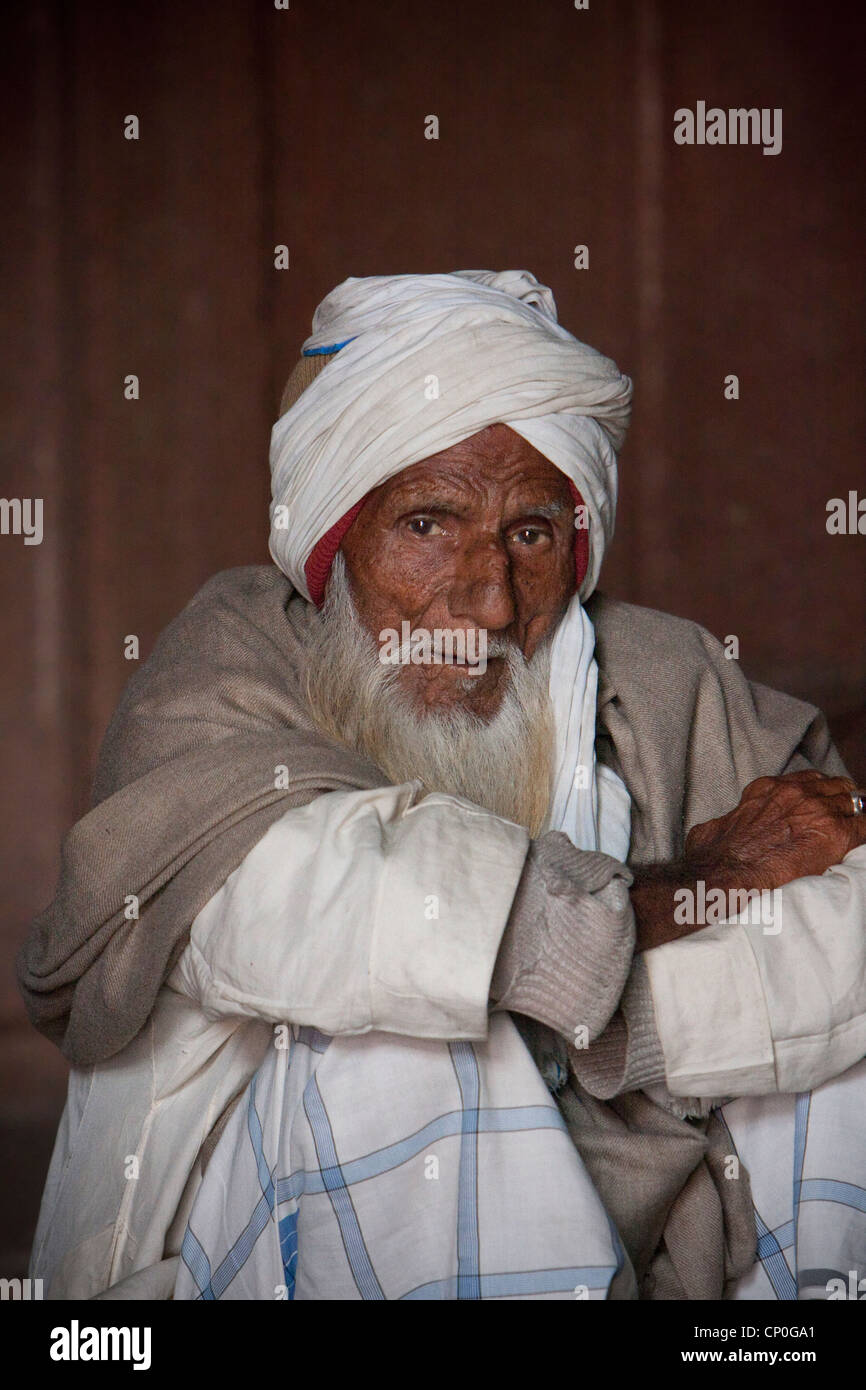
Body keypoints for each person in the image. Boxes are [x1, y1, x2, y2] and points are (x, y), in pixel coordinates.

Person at [19, 270, 866, 1300]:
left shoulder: (660, 677)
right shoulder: (230, 662)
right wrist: (705, 882)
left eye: (530, 532)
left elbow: (847, 900)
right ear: (337, 540)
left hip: (653, 1240)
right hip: (258, 1240)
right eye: (428, 524)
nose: (488, 597)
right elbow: (311, 909)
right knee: (403, 1037)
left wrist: (604, 1015)